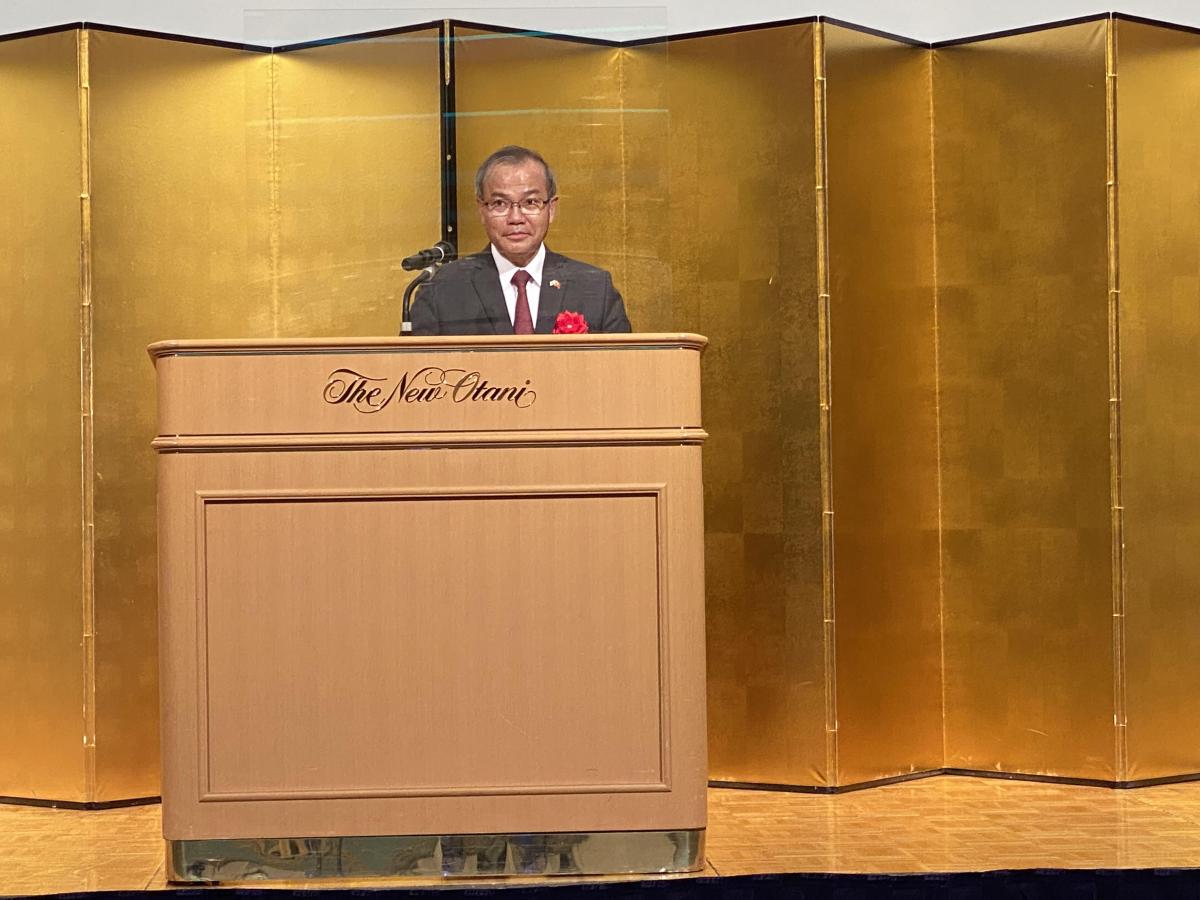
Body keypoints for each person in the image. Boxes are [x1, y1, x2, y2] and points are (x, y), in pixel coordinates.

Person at [411, 145, 632, 335]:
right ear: (482, 210)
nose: (516, 218)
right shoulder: (442, 290)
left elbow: (623, 367)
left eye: (530, 202)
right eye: (499, 204)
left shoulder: (594, 288)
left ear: (551, 209)